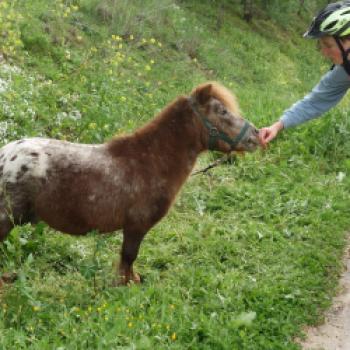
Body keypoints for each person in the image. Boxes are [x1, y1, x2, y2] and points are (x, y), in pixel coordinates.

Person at [259, 1, 350, 146]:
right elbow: (316, 101)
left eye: (328, 45)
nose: (324, 53)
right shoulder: (345, 70)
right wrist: (278, 125)